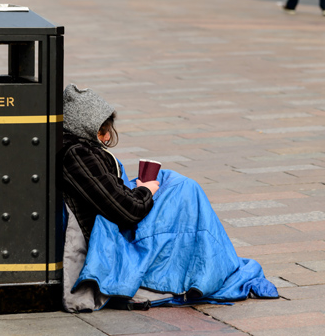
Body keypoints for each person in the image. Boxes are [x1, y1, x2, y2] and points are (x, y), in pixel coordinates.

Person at [59, 85, 278, 312]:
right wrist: (146, 190)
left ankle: (213, 264)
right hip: (114, 234)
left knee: (176, 183)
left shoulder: (81, 150)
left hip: (118, 216)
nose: (106, 136)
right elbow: (127, 211)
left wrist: (143, 187)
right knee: (186, 192)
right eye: (101, 130)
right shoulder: (77, 155)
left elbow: (111, 195)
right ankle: (211, 270)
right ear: (83, 126)